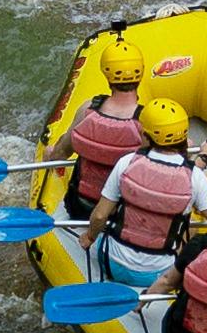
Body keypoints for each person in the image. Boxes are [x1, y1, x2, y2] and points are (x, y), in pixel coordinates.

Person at [80, 94, 207, 290]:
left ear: (148, 137)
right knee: (191, 224)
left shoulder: (127, 162)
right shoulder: (195, 176)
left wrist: (89, 237)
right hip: (159, 274)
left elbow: (99, 215)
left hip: (112, 263)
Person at [61, 34, 151, 222]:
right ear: (141, 73)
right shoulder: (148, 121)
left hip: (79, 205)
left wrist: (49, 154)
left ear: (105, 73)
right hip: (122, 213)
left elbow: (62, 152)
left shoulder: (88, 109)